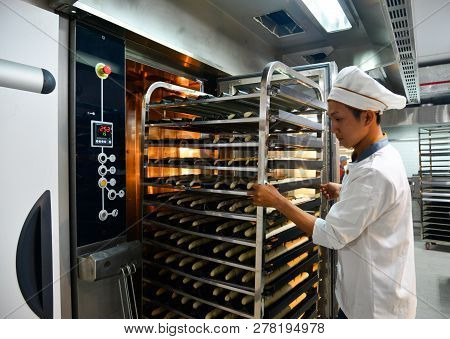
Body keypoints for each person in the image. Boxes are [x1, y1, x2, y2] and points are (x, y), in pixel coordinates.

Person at [250, 66, 416, 319]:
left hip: (373, 308)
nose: (333, 128)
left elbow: (331, 236)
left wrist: (278, 201)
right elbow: (374, 202)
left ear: (368, 117)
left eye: (339, 119)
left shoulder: (374, 172)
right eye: (331, 119)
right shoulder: (381, 157)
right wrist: (345, 191)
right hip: (370, 292)